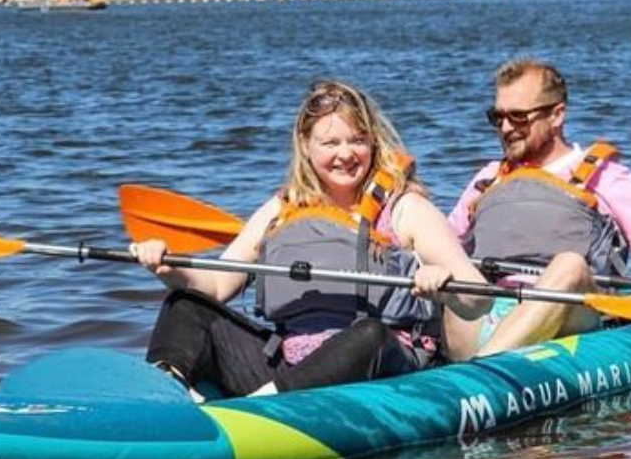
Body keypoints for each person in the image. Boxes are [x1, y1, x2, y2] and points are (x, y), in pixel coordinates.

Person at [131, 80, 490, 399]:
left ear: (373, 142)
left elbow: (479, 299)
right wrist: (167, 265)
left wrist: (445, 288)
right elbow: (216, 285)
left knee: (368, 334)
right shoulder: (281, 208)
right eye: (330, 142)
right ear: (305, 145)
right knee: (185, 304)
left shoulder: (404, 209)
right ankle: (165, 392)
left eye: (358, 140)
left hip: (381, 370)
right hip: (289, 365)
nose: (346, 154)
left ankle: (268, 409)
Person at [444, 58, 631, 358]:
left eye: (519, 117)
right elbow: (442, 244)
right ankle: (460, 373)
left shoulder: (604, 176)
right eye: (497, 118)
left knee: (570, 265)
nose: (506, 128)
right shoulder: (488, 178)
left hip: (569, 320)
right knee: (445, 266)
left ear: (557, 116)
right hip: (490, 315)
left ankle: (484, 368)